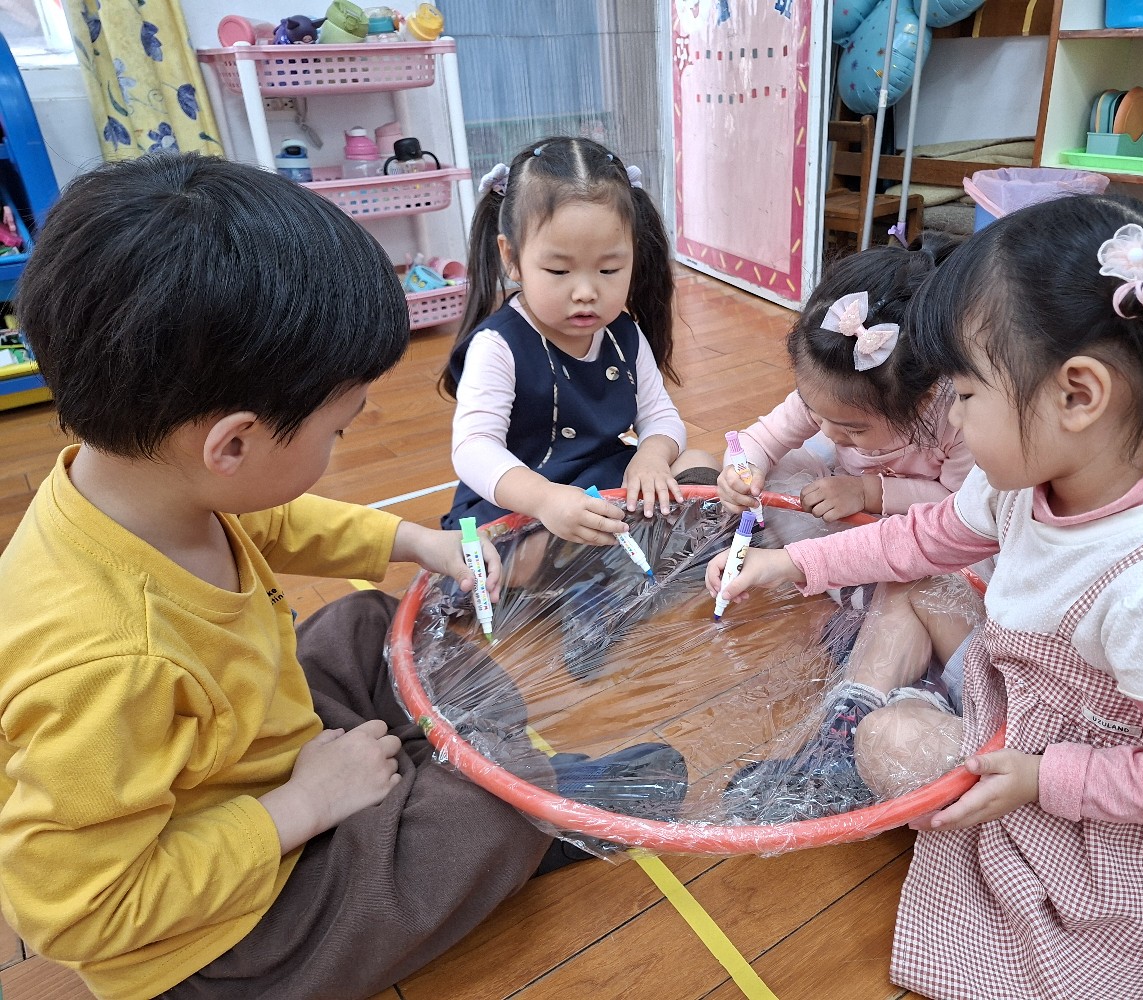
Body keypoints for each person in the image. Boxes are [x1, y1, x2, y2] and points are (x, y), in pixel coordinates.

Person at [0, 153, 686, 1000]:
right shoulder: (107, 667)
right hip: (225, 934)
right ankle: (516, 806)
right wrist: (301, 807)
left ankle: (448, 781)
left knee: (366, 625)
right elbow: (83, 914)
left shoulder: (139, 488)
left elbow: (274, 519)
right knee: (481, 814)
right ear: (232, 443)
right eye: (338, 430)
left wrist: (419, 543)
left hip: (251, 753)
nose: (340, 445)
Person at [707, 194, 1143, 999]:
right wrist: (790, 566)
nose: (951, 422)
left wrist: (1039, 778)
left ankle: (875, 730)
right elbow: (920, 539)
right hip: (1036, 688)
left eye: (964, 395)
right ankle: (843, 727)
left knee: (894, 743)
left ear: (1077, 394)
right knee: (911, 583)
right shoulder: (1025, 478)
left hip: (1097, 779)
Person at [439, 135, 718, 544]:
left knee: (697, 461)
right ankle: (618, 556)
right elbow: (473, 447)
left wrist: (651, 456)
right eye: (559, 271)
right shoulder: (498, 346)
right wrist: (546, 500)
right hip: (521, 501)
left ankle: (651, 557)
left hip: (603, 482)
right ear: (511, 257)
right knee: (519, 551)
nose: (586, 292)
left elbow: (661, 417)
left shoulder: (624, 333)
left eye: (608, 270)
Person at [716, 235, 974, 523]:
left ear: (921, 402)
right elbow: (761, 440)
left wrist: (866, 492)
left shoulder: (957, 422)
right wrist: (742, 472)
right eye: (816, 413)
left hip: (911, 521)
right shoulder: (827, 395)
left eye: (853, 429)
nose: (828, 431)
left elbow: (957, 503)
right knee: (777, 474)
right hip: (842, 489)